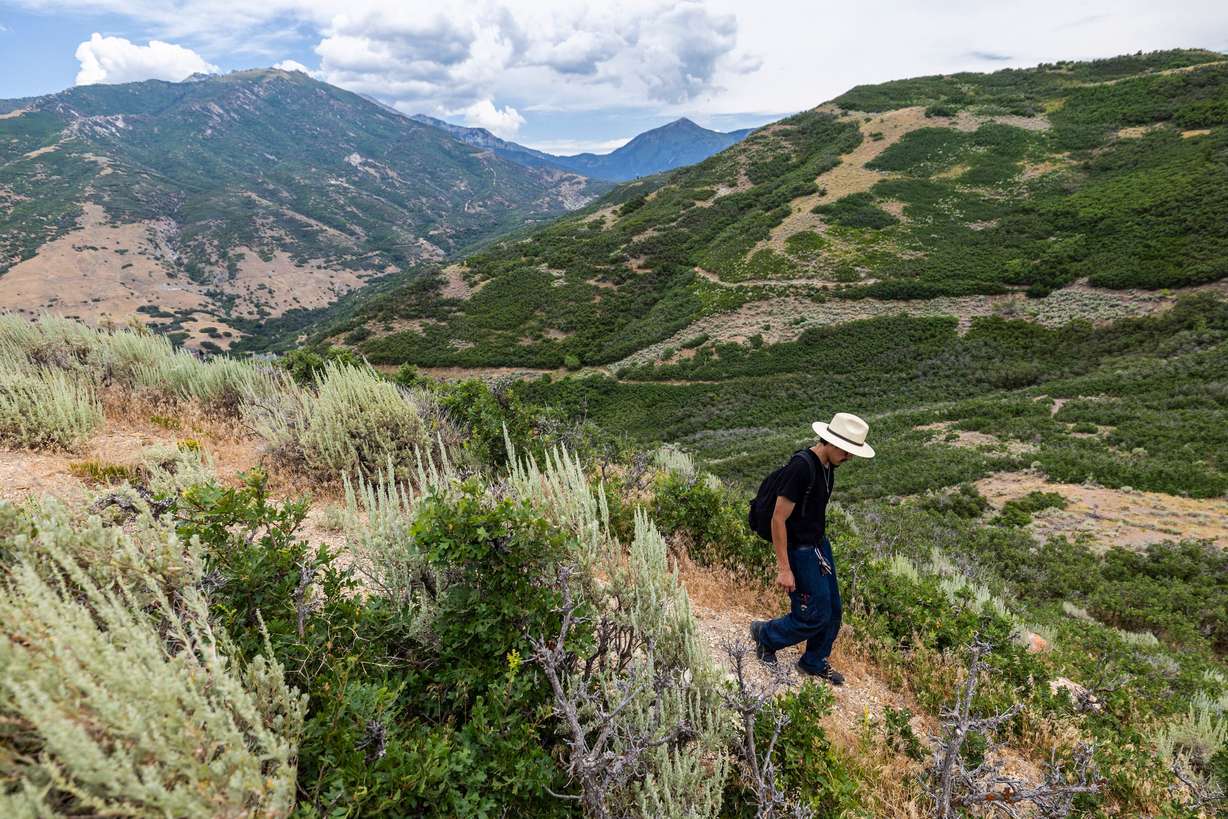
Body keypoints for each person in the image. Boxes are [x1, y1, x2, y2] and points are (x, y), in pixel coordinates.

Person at [749, 412, 875, 684]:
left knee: (833, 610)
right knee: (812, 615)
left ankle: (813, 661)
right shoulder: (801, 468)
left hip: (818, 545)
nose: (849, 456)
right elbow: (778, 519)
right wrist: (785, 569)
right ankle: (766, 637)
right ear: (829, 441)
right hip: (800, 550)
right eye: (846, 450)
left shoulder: (828, 466)